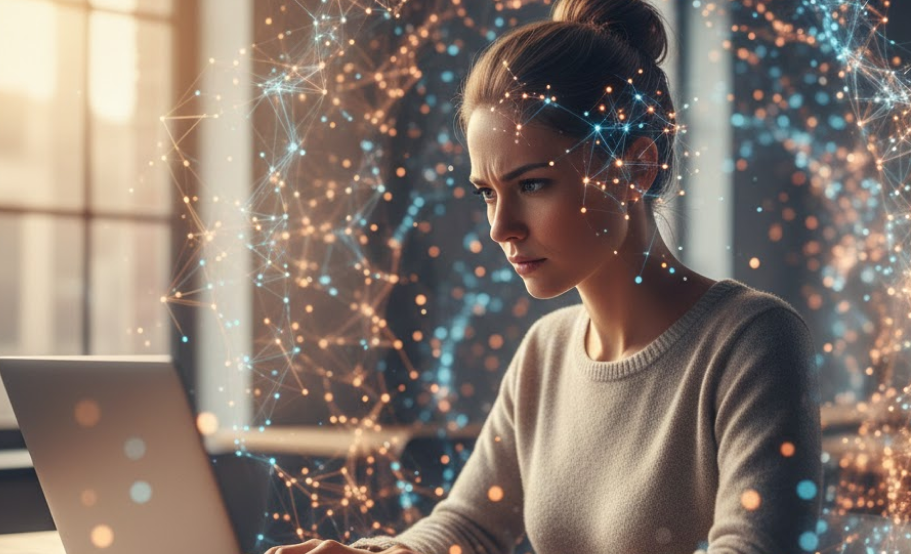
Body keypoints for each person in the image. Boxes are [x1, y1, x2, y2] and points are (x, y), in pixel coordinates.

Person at [266, 0, 822, 552]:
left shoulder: (753, 341)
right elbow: (469, 526)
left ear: (636, 167)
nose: (501, 227)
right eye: (488, 192)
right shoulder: (545, 352)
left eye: (532, 184)